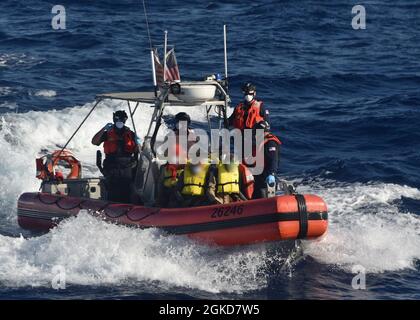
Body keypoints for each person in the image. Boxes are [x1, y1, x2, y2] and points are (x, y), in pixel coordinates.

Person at [91, 110, 140, 203]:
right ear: (114, 119)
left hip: (127, 168)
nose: (119, 122)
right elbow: (94, 142)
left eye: (122, 119)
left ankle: (128, 210)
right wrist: (103, 129)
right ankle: (112, 211)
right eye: (117, 119)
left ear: (125, 120)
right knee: (113, 191)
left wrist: (138, 143)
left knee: (127, 191)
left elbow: (137, 150)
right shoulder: (108, 133)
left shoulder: (130, 134)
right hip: (112, 167)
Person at [251, 121, 281, 199]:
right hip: (259, 176)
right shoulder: (262, 142)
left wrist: (272, 174)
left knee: (264, 197)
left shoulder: (271, 143)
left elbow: (273, 160)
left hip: (266, 177)